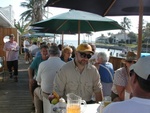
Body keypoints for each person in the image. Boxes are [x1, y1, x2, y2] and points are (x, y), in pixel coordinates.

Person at [34, 45, 66, 113]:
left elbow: (38, 80)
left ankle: (38, 111)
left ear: (49, 53)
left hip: (47, 94)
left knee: (36, 91)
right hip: (60, 95)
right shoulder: (65, 65)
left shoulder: (42, 64)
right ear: (59, 53)